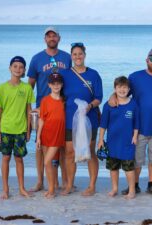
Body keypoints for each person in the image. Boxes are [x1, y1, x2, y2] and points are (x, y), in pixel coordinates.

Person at [110, 48, 152, 196]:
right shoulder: (135, 77)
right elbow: (122, 91)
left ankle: (151, 184)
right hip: (138, 128)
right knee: (136, 160)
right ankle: (135, 185)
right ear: (147, 60)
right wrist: (112, 96)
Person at [27, 26, 71, 192]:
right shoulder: (37, 58)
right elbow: (29, 87)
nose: (51, 38)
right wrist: (29, 110)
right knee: (41, 146)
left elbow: (73, 79)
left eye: (54, 36)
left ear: (59, 38)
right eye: (48, 36)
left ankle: (63, 181)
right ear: (45, 39)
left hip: (62, 106)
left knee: (61, 145)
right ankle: (40, 181)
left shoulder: (67, 58)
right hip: (42, 108)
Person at [61, 42, 103, 196]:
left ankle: (92, 186)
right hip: (69, 119)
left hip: (89, 118)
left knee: (90, 152)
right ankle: (70, 185)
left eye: (80, 53)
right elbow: (56, 91)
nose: (77, 56)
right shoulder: (65, 74)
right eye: (74, 54)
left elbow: (99, 98)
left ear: (84, 55)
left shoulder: (93, 74)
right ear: (71, 56)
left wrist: (90, 106)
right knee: (70, 152)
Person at [0, 56, 35, 199]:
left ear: (24, 70)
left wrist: (29, 130)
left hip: (20, 130)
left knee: (19, 159)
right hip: (5, 129)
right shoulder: (1, 88)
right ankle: (5, 190)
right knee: (5, 158)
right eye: (15, 66)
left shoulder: (27, 88)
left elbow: (29, 111)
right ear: (10, 68)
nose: (18, 69)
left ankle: (21, 188)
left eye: (21, 67)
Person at [98, 76, 139, 199]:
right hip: (112, 142)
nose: (122, 90)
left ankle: (132, 190)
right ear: (115, 88)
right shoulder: (108, 105)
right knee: (113, 167)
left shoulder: (133, 104)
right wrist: (100, 140)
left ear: (129, 89)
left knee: (128, 168)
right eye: (119, 87)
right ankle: (114, 188)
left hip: (127, 142)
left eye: (125, 87)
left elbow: (137, 123)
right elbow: (103, 124)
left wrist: (135, 136)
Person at [36, 73, 65, 199]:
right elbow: (42, 119)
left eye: (58, 83)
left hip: (57, 135)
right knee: (49, 163)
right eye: (53, 83)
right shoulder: (45, 100)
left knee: (48, 161)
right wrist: (38, 137)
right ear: (49, 85)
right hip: (46, 134)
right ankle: (51, 187)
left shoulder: (65, 100)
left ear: (62, 85)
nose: (56, 85)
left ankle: (52, 189)